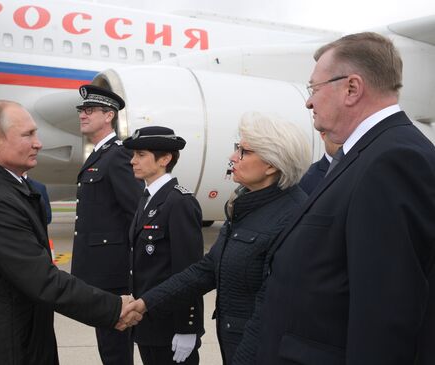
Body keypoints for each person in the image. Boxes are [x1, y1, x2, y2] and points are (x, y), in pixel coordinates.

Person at [233, 32, 435, 365]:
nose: (308, 101)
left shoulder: (393, 160)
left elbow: (385, 318)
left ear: (352, 89)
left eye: (314, 88)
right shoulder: (368, 154)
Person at [0, 100, 141, 365]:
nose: (39, 143)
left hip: (12, 337)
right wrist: (114, 309)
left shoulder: (6, 187)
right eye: (28, 135)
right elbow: (42, 280)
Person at [124, 113, 310, 364]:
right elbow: (205, 270)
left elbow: (271, 310)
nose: (233, 157)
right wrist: (145, 303)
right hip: (235, 342)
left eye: (243, 151)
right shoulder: (245, 208)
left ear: (271, 164)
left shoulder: (293, 218)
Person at [71, 85, 142, 364]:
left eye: (89, 110)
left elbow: (135, 214)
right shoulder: (100, 154)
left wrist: (133, 273)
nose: (82, 115)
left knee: (115, 350)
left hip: (114, 275)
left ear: (108, 115)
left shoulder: (118, 155)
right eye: (81, 110)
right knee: (109, 347)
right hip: (102, 273)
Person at [123, 126, 205, 365]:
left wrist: (187, 327)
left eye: (141, 155)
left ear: (165, 159)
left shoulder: (179, 202)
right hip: (147, 323)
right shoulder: (148, 198)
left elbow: (190, 271)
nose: (133, 161)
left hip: (170, 326)